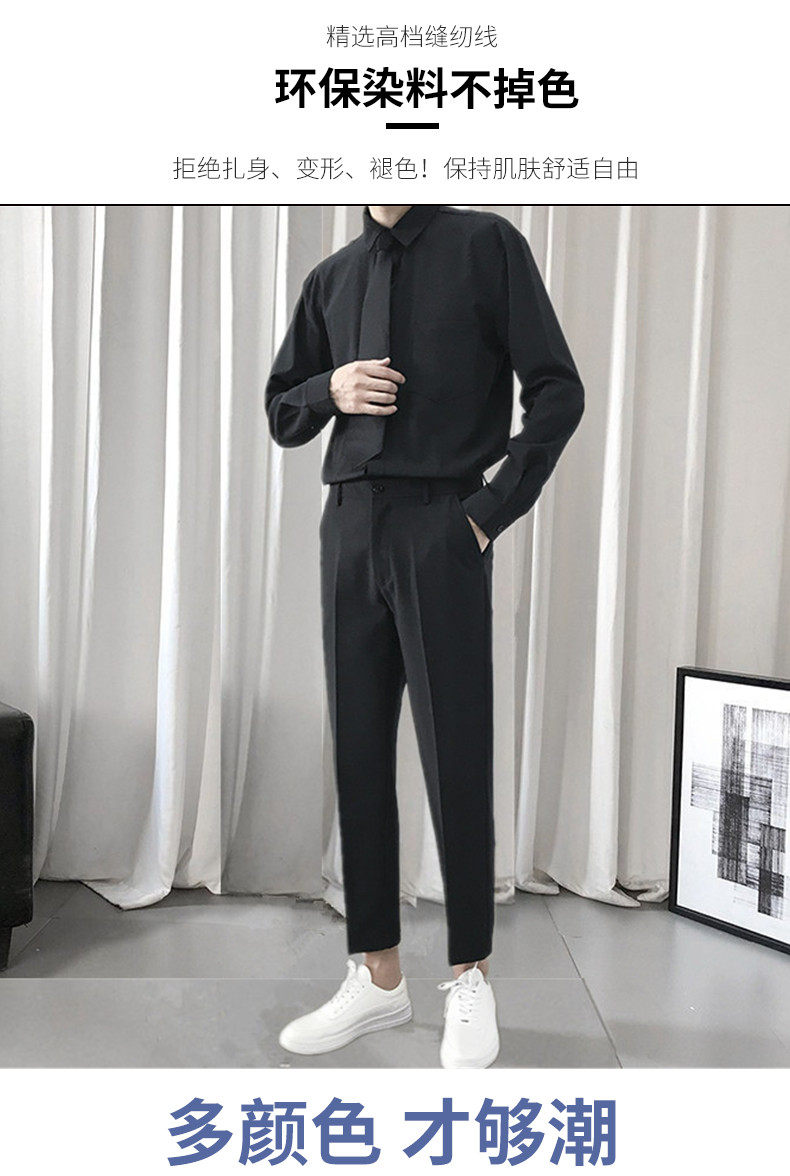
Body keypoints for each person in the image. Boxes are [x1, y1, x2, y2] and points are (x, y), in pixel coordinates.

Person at [265, 204, 584, 1068]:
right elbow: (282, 411)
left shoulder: (487, 246)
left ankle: (471, 975)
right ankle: (376, 977)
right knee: (359, 754)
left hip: (443, 524)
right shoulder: (331, 278)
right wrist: (327, 390)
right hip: (348, 527)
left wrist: (486, 513)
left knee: (455, 751)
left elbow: (558, 389)